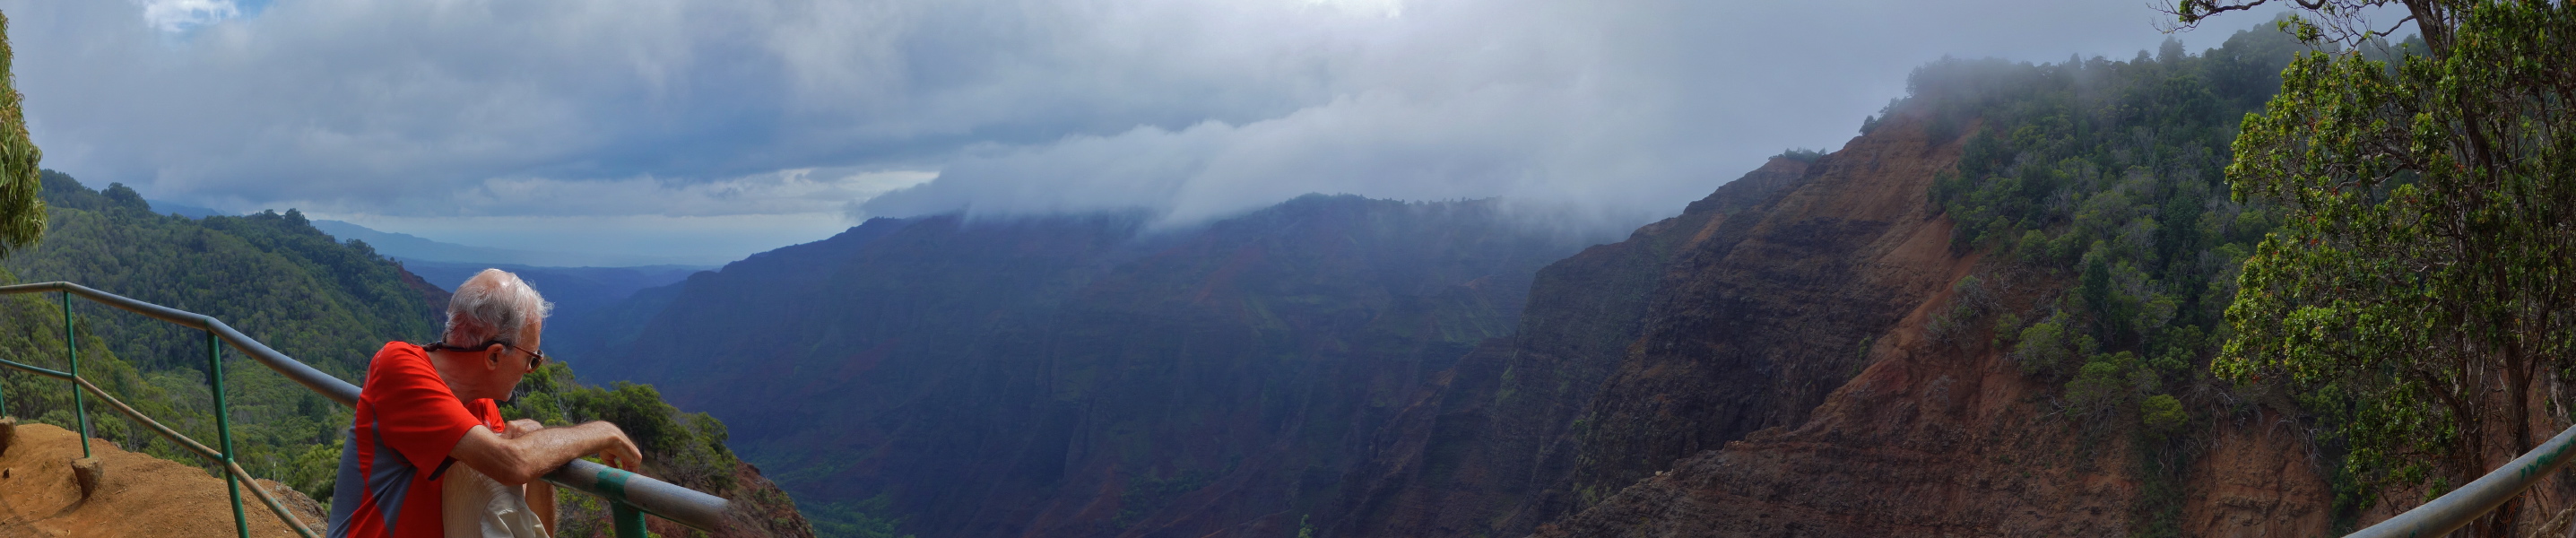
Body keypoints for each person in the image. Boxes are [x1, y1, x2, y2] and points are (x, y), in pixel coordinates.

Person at [325, 269, 645, 538]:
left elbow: (527, 528)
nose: (530, 371)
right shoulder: (398, 366)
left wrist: (540, 459)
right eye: (532, 359)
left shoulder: (481, 409)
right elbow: (512, 463)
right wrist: (602, 432)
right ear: (493, 356)